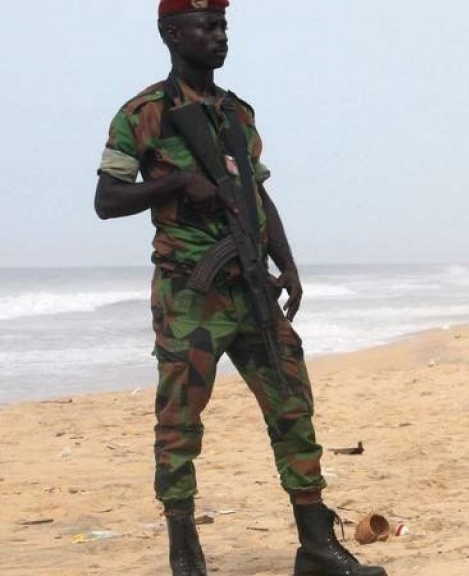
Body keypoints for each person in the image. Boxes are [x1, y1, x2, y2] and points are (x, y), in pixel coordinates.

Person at [93, 2, 387, 575]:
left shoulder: (237, 113)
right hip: (189, 293)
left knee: (292, 405)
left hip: (251, 285)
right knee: (180, 421)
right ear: (173, 34)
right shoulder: (143, 114)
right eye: (207, 26)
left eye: (224, 25)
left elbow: (257, 194)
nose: (220, 35)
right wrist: (177, 182)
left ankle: (315, 544)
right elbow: (106, 201)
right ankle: (184, 551)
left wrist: (288, 264)